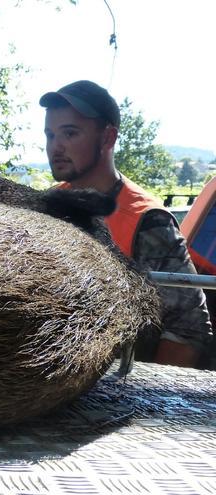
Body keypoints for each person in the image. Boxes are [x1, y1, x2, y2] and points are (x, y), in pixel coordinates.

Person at [40, 79, 212, 368]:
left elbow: (187, 331)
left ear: (108, 138)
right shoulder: (45, 206)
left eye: (70, 133)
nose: (56, 147)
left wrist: (135, 396)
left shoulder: (147, 220)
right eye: (50, 135)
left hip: (112, 387)